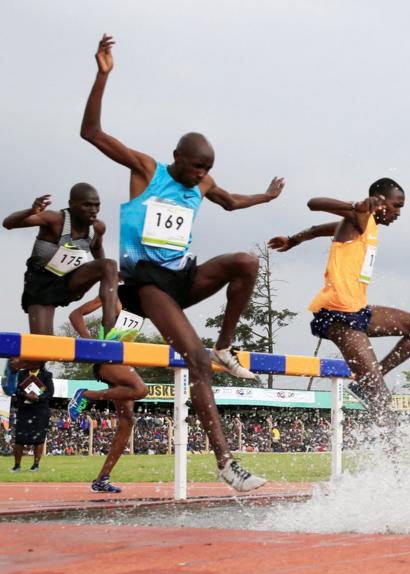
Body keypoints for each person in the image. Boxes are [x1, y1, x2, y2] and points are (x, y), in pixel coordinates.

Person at [80, 34, 283, 491]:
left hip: (182, 276)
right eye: (194, 169)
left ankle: (226, 347)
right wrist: (102, 75)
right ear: (177, 159)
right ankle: (226, 463)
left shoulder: (204, 184)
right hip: (146, 283)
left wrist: (267, 197)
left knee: (246, 263)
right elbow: (91, 134)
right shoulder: (146, 170)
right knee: (193, 356)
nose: (199, 177)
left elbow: (230, 201)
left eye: (205, 169)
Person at [268, 178, 410, 427]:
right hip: (338, 314)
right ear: (379, 201)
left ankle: (376, 373)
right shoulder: (359, 217)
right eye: (396, 205)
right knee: (381, 398)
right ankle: (393, 460)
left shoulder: (365, 224)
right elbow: (313, 203)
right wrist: (358, 205)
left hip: (357, 311)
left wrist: (294, 239)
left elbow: (317, 229)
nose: (398, 213)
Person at [3, 185, 120, 348]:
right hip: (42, 284)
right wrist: (31, 210)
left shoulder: (98, 227)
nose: (93, 210)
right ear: (72, 204)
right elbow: (8, 223)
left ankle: (109, 334)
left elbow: (97, 248)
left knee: (110, 265)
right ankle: (15, 366)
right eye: (87, 205)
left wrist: (109, 275)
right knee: (43, 350)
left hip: (70, 281)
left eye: (97, 205)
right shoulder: (55, 219)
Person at [66, 295, 149, 492]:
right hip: (107, 360)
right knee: (141, 390)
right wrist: (90, 343)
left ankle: (101, 479)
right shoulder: (113, 295)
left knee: (127, 422)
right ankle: (85, 395)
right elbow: (75, 314)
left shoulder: (147, 303)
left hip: (123, 361)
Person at [10, 367, 54, 472]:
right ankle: (17, 466)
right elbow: (16, 389)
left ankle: (36, 465)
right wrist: (26, 395)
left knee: (39, 439)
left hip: (40, 411)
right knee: (19, 439)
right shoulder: (21, 374)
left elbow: (50, 392)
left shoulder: (47, 375)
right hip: (24, 410)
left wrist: (37, 398)